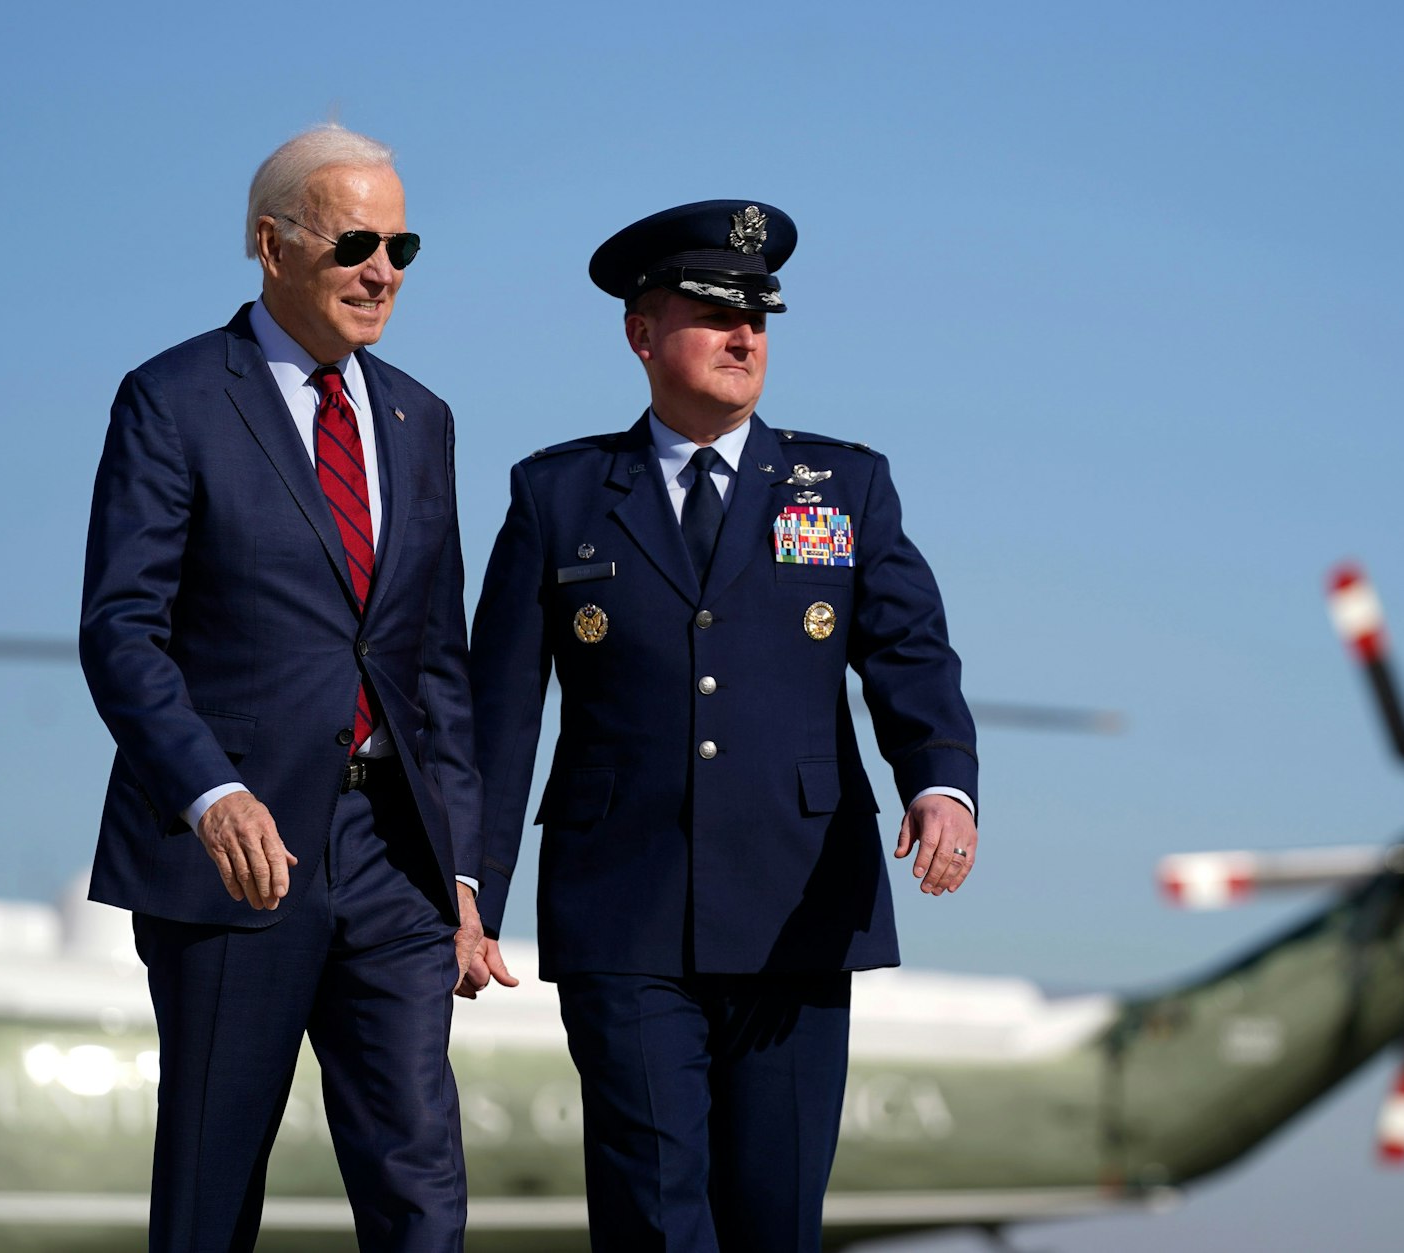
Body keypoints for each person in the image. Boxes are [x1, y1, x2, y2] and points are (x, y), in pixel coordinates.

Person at [467, 200, 980, 1251]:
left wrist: (940, 777)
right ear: (640, 330)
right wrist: (468, 887)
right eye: (712, 312)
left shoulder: (843, 484)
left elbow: (909, 652)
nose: (745, 335)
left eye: (758, 315)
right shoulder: (555, 495)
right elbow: (498, 712)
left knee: (773, 1219)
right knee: (654, 1214)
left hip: (797, 902)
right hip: (622, 908)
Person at [79, 123, 507, 1253]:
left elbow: (432, 666)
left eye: (402, 244)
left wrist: (460, 868)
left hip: (393, 859)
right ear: (269, 245)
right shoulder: (170, 398)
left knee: (421, 1178)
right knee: (213, 1194)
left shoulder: (423, 417)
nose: (384, 270)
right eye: (356, 242)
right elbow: (121, 632)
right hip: (236, 854)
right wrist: (210, 792)